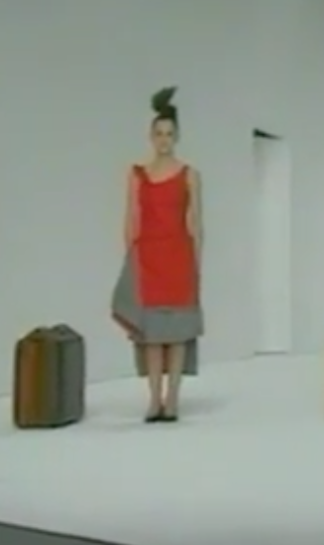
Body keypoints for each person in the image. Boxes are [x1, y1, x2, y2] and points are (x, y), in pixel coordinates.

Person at [111, 87, 203, 423]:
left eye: (169, 133)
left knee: (176, 333)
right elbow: (130, 217)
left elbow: (197, 222)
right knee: (151, 335)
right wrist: (130, 258)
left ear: (176, 137)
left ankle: (173, 399)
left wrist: (197, 264)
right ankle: (154, 399)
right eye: (159, 133)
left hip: (178, 256)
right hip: (147, 257)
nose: (164, 139)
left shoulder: (189, 175)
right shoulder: (137, 174)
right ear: (151, 137)